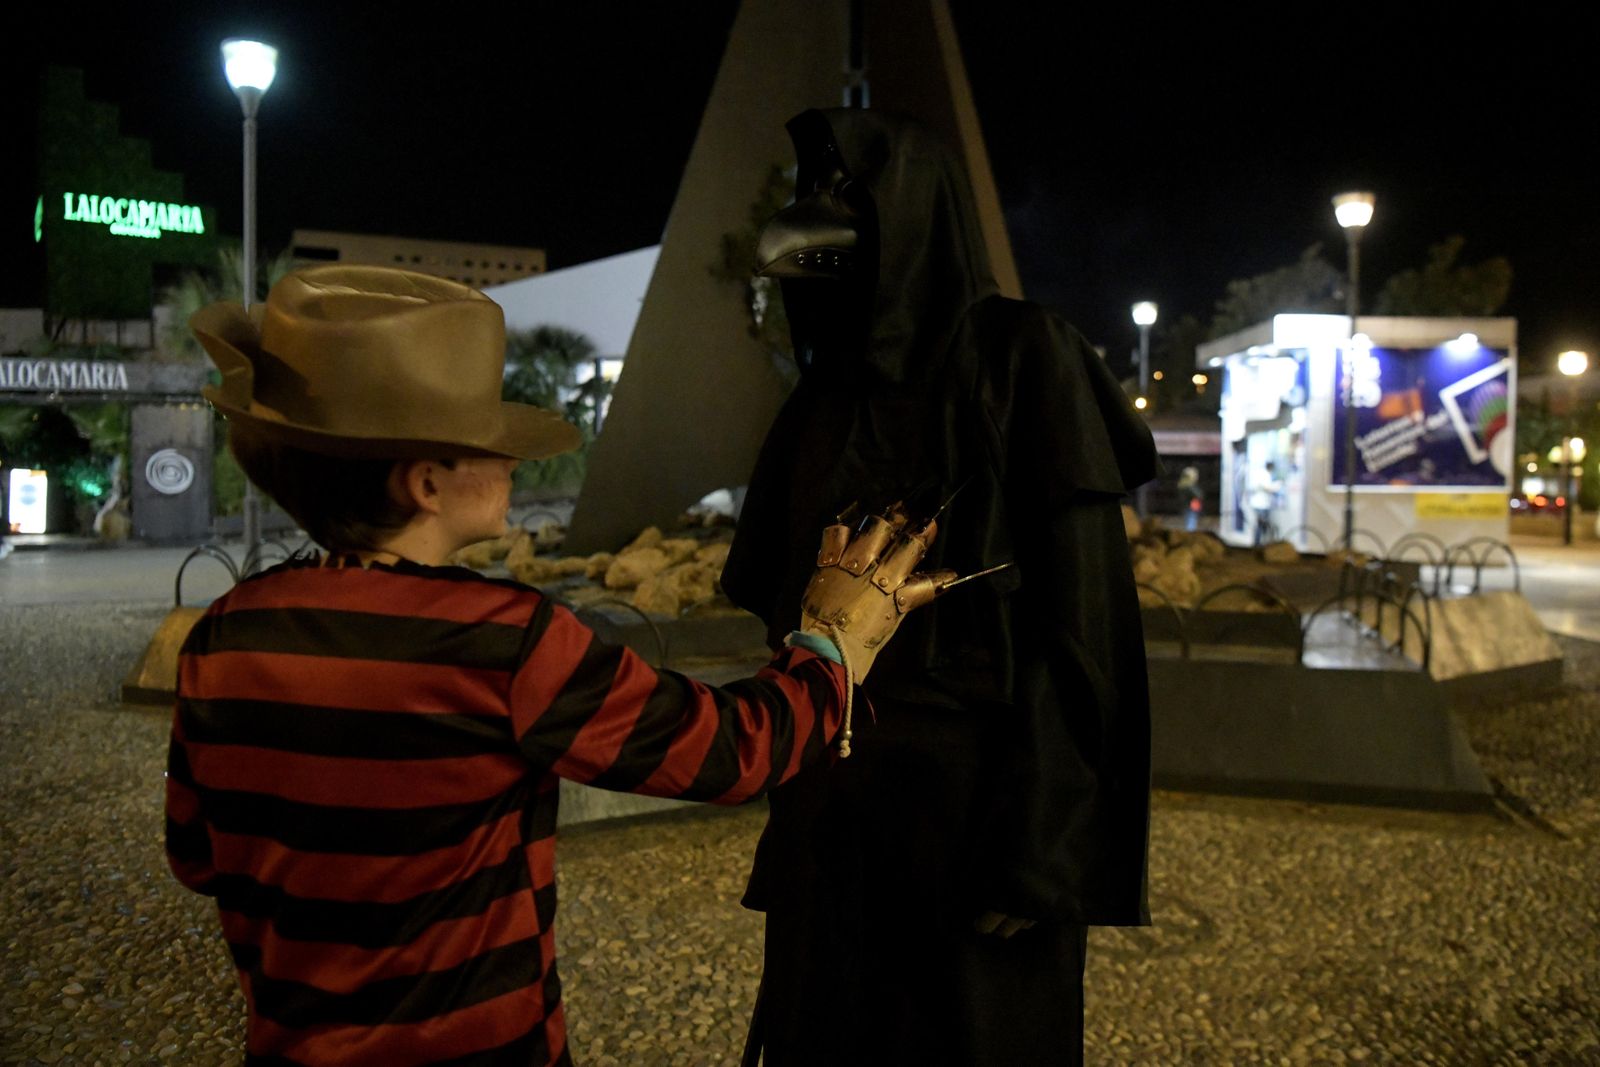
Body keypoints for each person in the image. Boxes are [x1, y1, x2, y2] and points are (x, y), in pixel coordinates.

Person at [163, 265, 947, 1066]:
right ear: (425, 482)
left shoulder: (223, 635)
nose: (513, 463)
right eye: (489, 444)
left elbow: (196, 856)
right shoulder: (502, 640)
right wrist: (831, 648)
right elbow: (729, 751)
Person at [721, 109, 1159, 1066]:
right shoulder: (820, 402)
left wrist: (1042, 849)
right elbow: (783, 613)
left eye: (845, 191)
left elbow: (1082, 623)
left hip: (977, 821)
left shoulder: (1023, 356)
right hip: (834, 815)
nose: (814, 215)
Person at [1178, 464, 1204, 531]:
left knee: (1189, 521)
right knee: (1191, 523)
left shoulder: (1181, 485)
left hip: (1185, 506)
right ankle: (1190, 536)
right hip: (1191, 506)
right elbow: (1199, 495)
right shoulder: (1189, 486)